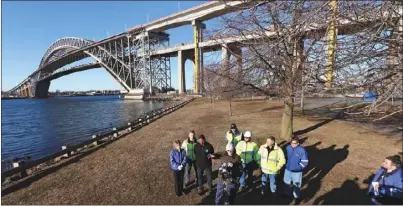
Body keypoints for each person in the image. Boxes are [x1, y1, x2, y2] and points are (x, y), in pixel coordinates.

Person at [283, 136, 309, 202]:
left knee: (296, 185)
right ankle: (287, 194)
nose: (292, 145)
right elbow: (285, 156)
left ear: (298, 143)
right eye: (291, 143)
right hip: (288, 169)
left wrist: (299, 167)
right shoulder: (288, 148)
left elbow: (305, 161)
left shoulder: (302, 150)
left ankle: (297, 197)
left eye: (294, 143)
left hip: (297, 172)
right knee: (286, 183)